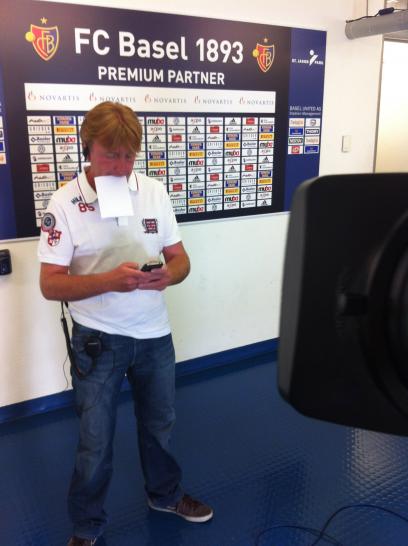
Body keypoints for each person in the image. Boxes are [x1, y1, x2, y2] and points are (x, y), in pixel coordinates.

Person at [38, 101, 213, 546]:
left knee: (160, 425)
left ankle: (165, 495)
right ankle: (86, 525)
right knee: (95, 440)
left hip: (154, 335)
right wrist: (109, 281)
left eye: (128, 156)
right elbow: (50, 284)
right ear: (88, 148)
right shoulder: (65, 202)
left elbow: (180, 258)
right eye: (109, 155)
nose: (119, 166)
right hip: (97, 339)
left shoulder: (153, 191)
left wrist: (169, 275)